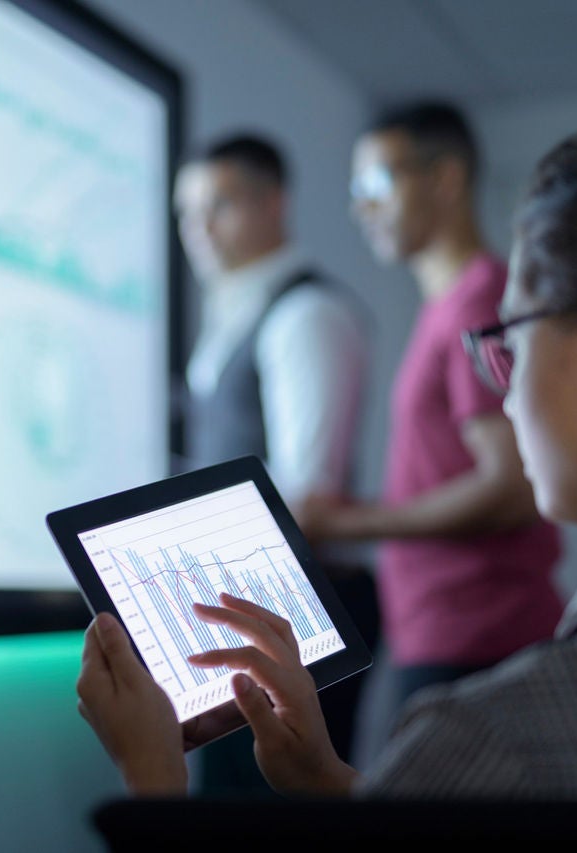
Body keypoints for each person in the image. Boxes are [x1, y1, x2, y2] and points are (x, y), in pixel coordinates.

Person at [76, 103, 577, 800]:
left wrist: (152, 776)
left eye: (511, 339)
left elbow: (501, 491)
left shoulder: (488, 738)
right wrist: (329, 779)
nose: (508, 392)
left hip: (464, 622)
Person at [294, 101, 563, 755]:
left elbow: (511, 487)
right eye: (356, 192)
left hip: (478, 634)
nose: (363, 209)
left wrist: (341, 522)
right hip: (439, 629)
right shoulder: (450, 305)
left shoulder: (478, 302)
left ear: (444, 178)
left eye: (378, 185)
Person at [171, 133, 377, 793]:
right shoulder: (236, 313)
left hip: (296, 617)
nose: (197, 228)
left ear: (273, 204)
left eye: (220, 205)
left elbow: (306, 494)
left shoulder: (307, 313)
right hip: (250, 614)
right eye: (186, 211)